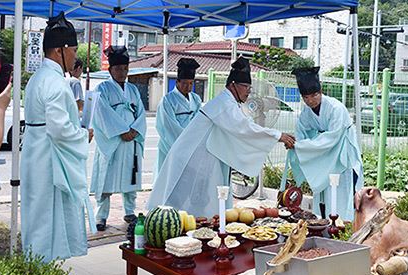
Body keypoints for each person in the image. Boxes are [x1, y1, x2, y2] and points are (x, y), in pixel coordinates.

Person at [148, 57, 295, 217]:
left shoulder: (229, 103)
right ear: (233, 85)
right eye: (245, 86)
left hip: (204, 157)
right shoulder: (224, 103)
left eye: (249, 87)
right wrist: (277, 136)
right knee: (177, 200)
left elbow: (243, 126)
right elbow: (244, 128)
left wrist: (276, 136)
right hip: (189, 156)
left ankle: (200, 227)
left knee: (200, 199)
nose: (248, 91)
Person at [20, 12, 95, 263]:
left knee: (38, 213)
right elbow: (60, 129)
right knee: (45, 216)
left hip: (35, 150)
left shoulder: (38, 78)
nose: (75, 56)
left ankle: (38, 266)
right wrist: (83, 135)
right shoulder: (54, 82)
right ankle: (40, 268)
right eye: (73, 49)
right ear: (59, 50)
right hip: (47, 157)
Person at [288, 67, 363, 222]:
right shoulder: (306, 112)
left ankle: (342, 227)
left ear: (320, 91)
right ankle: (324, 225)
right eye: (306, 97)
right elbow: (301, 133)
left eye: (314, 95)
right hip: (324, 157)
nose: (310, 100)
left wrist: (302, 146)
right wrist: (296, 144)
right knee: (324, 194)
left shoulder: (336, 108)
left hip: (342, 153)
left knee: (341, 193)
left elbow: (332, 138)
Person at [90, 45, 146, 231]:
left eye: (125, 69)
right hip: (112, 141)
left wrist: (135, 131)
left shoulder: (133, 89)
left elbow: (141, 113)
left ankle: (130, 211)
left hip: (131, 141)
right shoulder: (102, 89)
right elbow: (101, 113)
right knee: (105, 178)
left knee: (131, 176)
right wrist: (121, 131)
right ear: (110, 70)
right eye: (118, 69)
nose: (122, 72)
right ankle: (101, 216)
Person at [155, 58, 201, 174]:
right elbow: (168, 127)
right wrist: (185, 142)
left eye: (191, 83)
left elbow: (200, 122)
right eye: (185, 83)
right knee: (169, 177)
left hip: (191, 144)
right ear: (177, 82)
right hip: (171, 145)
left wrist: (194, 140)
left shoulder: (196, 99)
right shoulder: (167, 100)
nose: (188, 87)